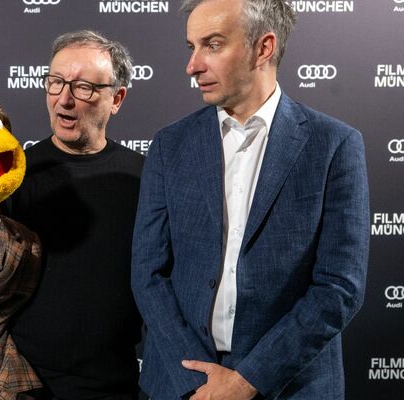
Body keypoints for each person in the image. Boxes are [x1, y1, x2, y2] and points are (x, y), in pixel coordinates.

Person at [131, 0, 370, 399]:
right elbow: (148, 272)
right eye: (191, 47)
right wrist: (198, 382)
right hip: (181, 385)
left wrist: (248, 381)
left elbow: (339, 288)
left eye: (212, 45)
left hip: (290, 386)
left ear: (263, 48)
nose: (192, 66)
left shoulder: (334, 145)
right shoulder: (169, 145)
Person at [5, 30, 145, 399]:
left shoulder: (144, 177)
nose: (63, 100)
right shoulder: (13, 176)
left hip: (117, 386)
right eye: (55, 83)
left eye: (83, 87)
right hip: (25, 387)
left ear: (116, 98)